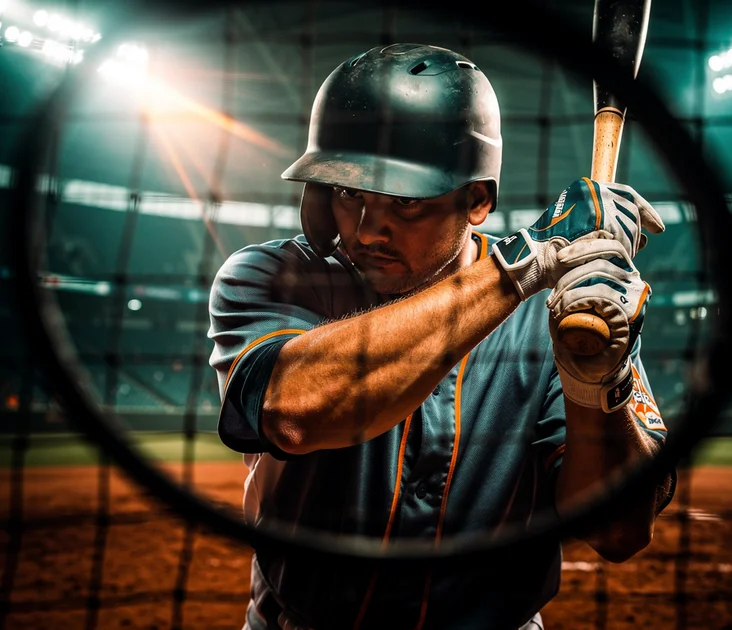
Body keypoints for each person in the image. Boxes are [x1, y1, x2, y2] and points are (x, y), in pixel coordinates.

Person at [208, 43, 675, 630]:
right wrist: (518, 264)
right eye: (350, 193)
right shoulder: (271, 277)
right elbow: (294, 409)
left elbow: (618, 530)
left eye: (405, 203)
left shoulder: (555, 312)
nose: (367, 229)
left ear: (477, 199)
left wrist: (595, 384)